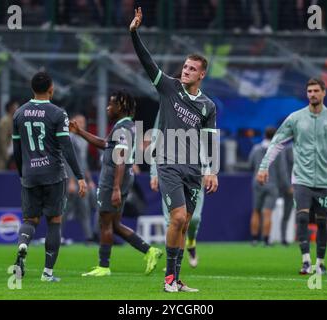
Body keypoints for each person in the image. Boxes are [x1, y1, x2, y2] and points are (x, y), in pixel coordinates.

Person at [130, 7, 219, 293]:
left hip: (193, 169)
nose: (185, 71)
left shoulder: (208, 106)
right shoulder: (169, 87)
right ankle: (168, 279)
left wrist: (211, 171)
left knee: (184, 225)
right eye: (184, 66)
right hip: (168, 163)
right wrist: (134, 33)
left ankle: (176, 279)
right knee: (178, 218)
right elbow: (147, 62)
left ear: (202, 74)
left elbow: (210, 140)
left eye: (192, 68)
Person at [257, 78, 327, 276]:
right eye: (309, 91)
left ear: (324, 93)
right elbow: (276, 142)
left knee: (323, 222)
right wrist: (264, 167)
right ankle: (306, 261)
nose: (313, 94)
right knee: (301, 218)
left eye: (316, 91)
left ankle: (321, 263)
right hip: (301, 179)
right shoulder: (295, 118)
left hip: (326, 180)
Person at [69, 91, 162, 277]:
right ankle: (150, 251)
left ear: (121, 107)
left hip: (113, 180)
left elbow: (120, 157)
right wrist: (80, 131)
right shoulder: (126, 126)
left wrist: (116, 188)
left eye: (111, 104)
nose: (107, 107)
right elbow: (105, 144)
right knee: (115, 224)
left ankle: (103, 266)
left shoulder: (122, 128)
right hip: (123, 178)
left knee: (105, 222)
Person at [12, 72, 87, 282]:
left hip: (29, 175)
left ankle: (23, 243)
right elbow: (67, 147)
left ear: (32, 88)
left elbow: (16, 150)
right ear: (51, 89)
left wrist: (22, 173)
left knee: (30, 220)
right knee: (54, 221)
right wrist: (80, 176)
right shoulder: (58, 113)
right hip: (53, 175)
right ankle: (47, 273)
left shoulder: (19, 113)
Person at [150, 113, 203, 268]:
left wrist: (209, 169)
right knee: (173, 220)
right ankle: (172, 264)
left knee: (194, 219)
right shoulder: (167, 103)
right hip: (169, 170)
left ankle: (191, 241)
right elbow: (156, 136)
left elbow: (207, 139)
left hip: (194, 171)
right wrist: (154, 173)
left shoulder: (202, 104)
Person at [248, 127, 288, 246]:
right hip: (272, 184)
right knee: (267, 212)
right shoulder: (278, 150)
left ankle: (254, 239)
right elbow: (282, 171)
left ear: (264, 135)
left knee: (256, 211)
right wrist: (286, 186)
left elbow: (250, 164)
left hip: (258, 182)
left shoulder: (256, 149)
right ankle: (266, 240)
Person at [63, 114, 96, 245]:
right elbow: (67, 160)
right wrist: (70, 180)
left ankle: (89, 237)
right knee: (65, 209)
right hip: (71, 179)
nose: (82, 124)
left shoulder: (83, 140)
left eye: (84, 121)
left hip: (81, 180)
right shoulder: (69, 138)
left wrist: (90, 180)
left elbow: (83, 163)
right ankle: (56, 235)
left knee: (86, 207)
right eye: (79, 122)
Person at [0, 100, 19, 171]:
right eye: (16, 106)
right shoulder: (4, 121)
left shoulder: (13, 120)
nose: (18, 108)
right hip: (2, 160)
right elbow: (2, 140)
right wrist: (7, 157)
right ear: (10, 108)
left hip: (11, 158)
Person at [280, 143, 294, 246]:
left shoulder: (307, 146)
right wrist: (288, 185)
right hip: (291, 186)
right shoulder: (288, 149)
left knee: (304, 212)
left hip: (304, 184)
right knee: (287, 212)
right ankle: (283, 237)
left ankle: (302, 237)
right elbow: (283, 169)